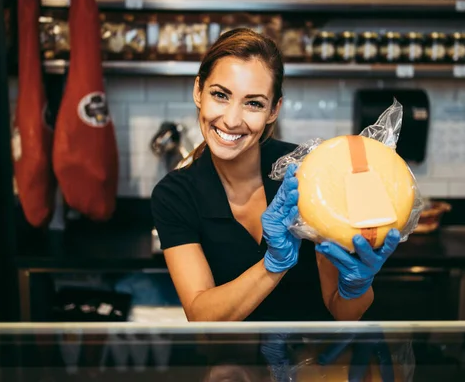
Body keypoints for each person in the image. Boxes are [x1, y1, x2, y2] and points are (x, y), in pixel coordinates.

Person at [150, 28, 401, 323]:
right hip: (231, 366)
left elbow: (342, 312)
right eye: (220, 95)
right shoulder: (175, 195)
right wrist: (274, 264)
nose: (231, 120)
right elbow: (202, 317)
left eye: (253, 103)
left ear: (273, 110)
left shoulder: (308, 173)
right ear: (198, 91)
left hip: (312, 364)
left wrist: (357, 285)